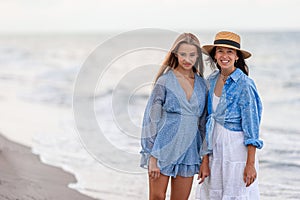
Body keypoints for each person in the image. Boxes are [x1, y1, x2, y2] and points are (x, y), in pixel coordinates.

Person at [140, 33, 208, 200]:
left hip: (189, 152)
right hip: (163, 149)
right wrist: (152, 157)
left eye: (192, 55)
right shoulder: (164, 81)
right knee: (157, 197)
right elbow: (151, 120)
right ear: (175, 54)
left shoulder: (202, 85)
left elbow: (203, 125)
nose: (187, 59)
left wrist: (204, 157)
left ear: (197, 56)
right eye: (183, 54)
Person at [197, 31, 263, 199]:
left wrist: (250, 164)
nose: (224, 56)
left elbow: (252, 125)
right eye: (220, 51)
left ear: (237, 57)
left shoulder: (245, 84)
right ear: (214, 55)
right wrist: (204, 160)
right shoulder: (211, 80)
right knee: (214, 193)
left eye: (230, 52)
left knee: (236, 193)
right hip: (214, 146)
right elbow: (206, 121)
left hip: (236, 149)